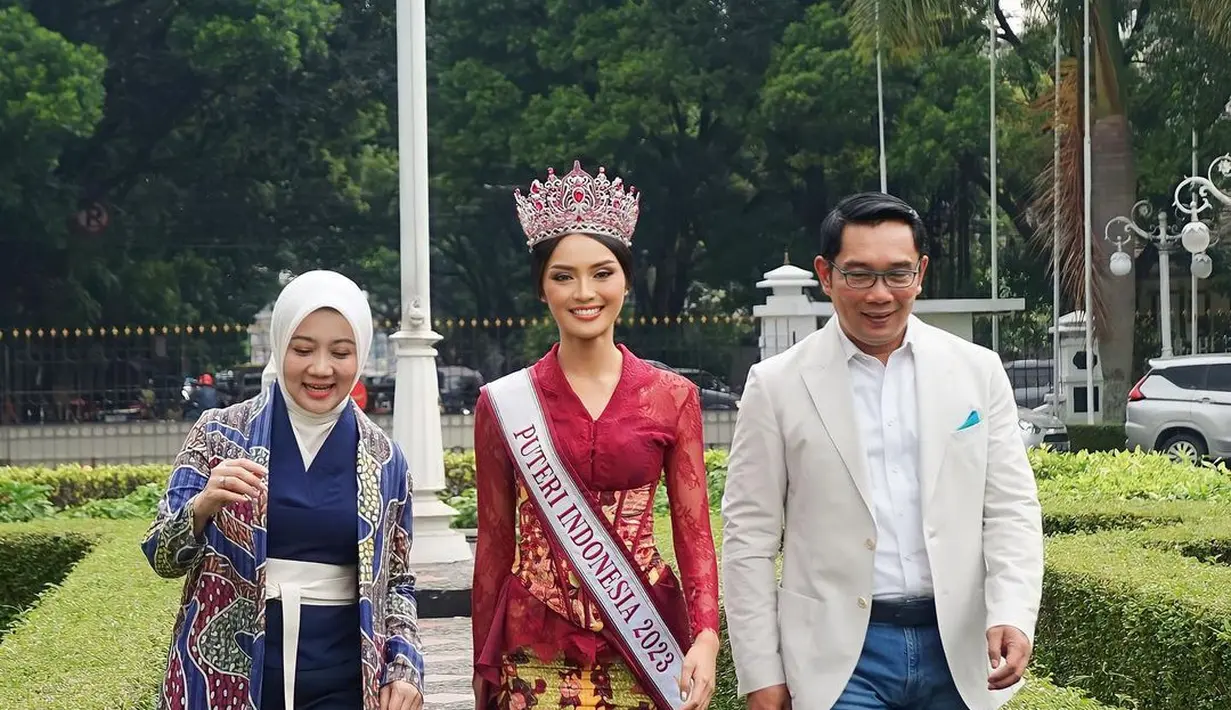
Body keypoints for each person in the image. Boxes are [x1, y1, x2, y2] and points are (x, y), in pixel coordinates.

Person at [721, 193, 1044, 710]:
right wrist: (761, 671)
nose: (880, 295)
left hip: (958, 650)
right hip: (839, 661)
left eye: (897, 274)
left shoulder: (976, 371)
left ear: (920, 272)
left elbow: (1010, 509)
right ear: (826, 275)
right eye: (859, 275)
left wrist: (1011, 611)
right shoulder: (776, 385)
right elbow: (749, 539)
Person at [471, 161, 721, 710]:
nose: (584, 292)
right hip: (534, 641)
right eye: (563, 276)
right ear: (541, 288)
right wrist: (480, 666)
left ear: (626, 280)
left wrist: (705, 633)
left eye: (602, 273)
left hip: (644, 638)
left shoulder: (673, 397)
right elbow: (493, 544)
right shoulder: (503, 404)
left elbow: (694, 531)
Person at [141, 270, 425, 710]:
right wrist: (202, 506)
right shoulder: (220, 434)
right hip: (226, 681)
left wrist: (405, 668)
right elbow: (161, 555)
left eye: (341, 352)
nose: (320, 368)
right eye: (303, 349)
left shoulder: (386, 459)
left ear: (362, 355)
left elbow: (399, 582)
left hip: (344, 683)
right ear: (280, 347)